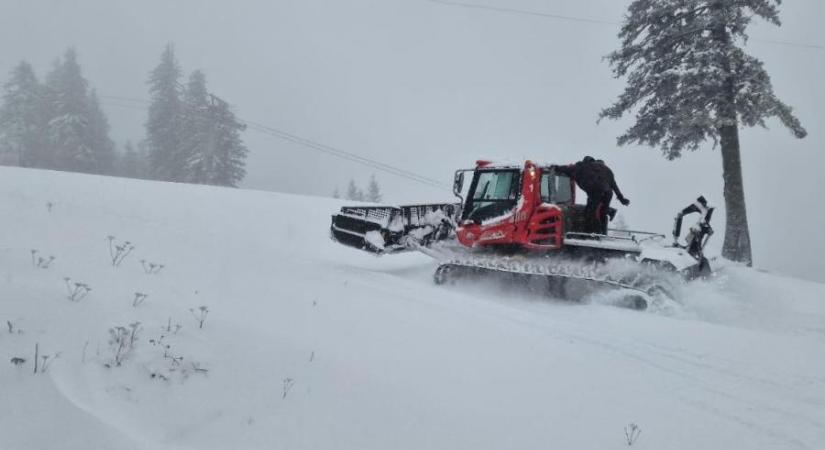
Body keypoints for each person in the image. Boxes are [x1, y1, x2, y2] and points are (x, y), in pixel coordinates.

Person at [552, 156, 630, 234]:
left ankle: (592, 233)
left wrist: (556, 168)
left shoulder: (582, 166)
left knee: (590, 213)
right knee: (602, 213)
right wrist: (622, 199)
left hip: (595, 191)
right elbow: (614, 186)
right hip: (608, 193)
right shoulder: (607, 170)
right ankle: (602, 233)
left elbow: (567, 169)